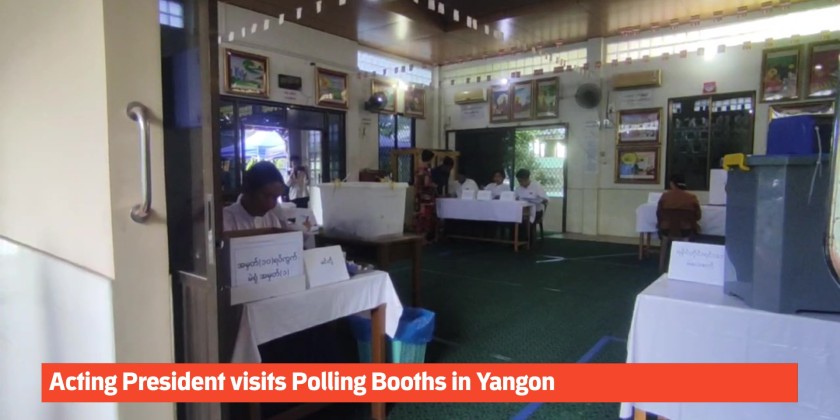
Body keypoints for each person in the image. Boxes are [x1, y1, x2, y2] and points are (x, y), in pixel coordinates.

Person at [223, 161, 316, 249]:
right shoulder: (225, 220)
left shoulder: (272, 220)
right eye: (266, 196)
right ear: (248, 190)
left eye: (275, 198)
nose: (271, 204)